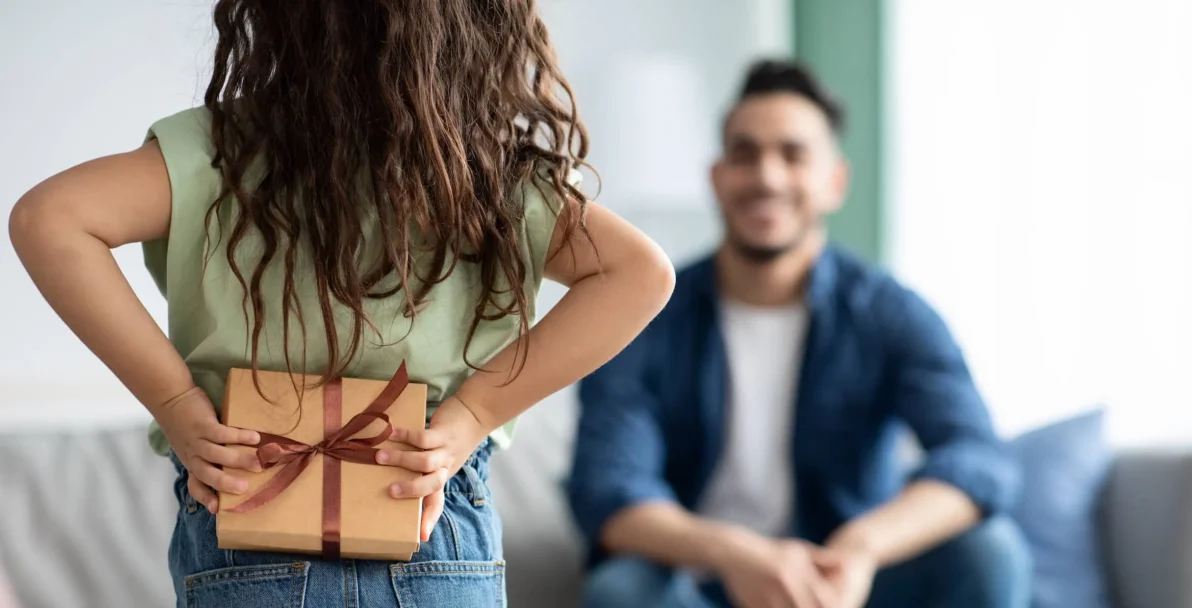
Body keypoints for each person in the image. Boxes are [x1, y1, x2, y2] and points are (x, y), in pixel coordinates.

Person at [9, 1, 675, 606]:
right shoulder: (480, 173)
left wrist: (179, 405)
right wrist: (472, 417)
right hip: (426, 503)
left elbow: (49, 219)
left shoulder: (217, 151)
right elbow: (641, 274)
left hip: (248, 497)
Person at [567, 60, 1031, 608]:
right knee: (620, 591)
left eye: (793, 155)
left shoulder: (890, 313)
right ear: (716, 178)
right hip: (703, 583)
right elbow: (608, 486)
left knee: (990, 552)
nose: (767, 176)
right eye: (745, 154)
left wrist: (861, 547)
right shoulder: (644, 312)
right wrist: (735, 553)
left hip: (845, 584)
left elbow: (976, 457)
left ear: (834, 181)